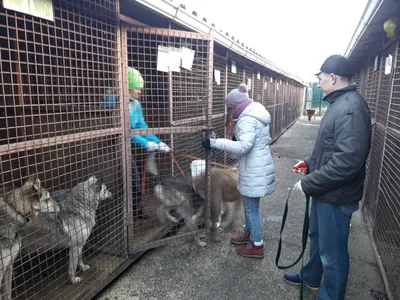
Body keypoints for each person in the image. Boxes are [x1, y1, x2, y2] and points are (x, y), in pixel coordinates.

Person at [285, 55, 372, 300]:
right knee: (317, 237)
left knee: (332, 254)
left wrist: (308, 182)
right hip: (326, 191)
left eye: (320, 78)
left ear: (333, 77)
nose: (319, 83)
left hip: (336, 197)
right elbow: (330, 150)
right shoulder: (339, 104)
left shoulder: (349, 109)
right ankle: (312, 278)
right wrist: (309, 164)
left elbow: (347, 163)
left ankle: (330, 296)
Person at [201, 83, 275, 259]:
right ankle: (249, 235)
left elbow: (243, 147)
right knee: (251, 207)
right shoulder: (255, 113)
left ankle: (256, 245)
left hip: (254, 168)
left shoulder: (248, 119)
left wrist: (214, 143)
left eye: (229, 109)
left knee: (251, 209)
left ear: (234, 107)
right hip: (256, 166)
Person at [128, 67, 171, 227]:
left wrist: (158, 142)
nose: (140, 91)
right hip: (113, 149)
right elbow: (126, 131)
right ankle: (131, 216)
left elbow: (141, 126)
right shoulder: (116, 103)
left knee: (136, 180)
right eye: (137, 87)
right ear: (128, 86)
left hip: (128, 148)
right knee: (132, 181)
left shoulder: (135, 104)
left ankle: (136, 211)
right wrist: (147, 144)